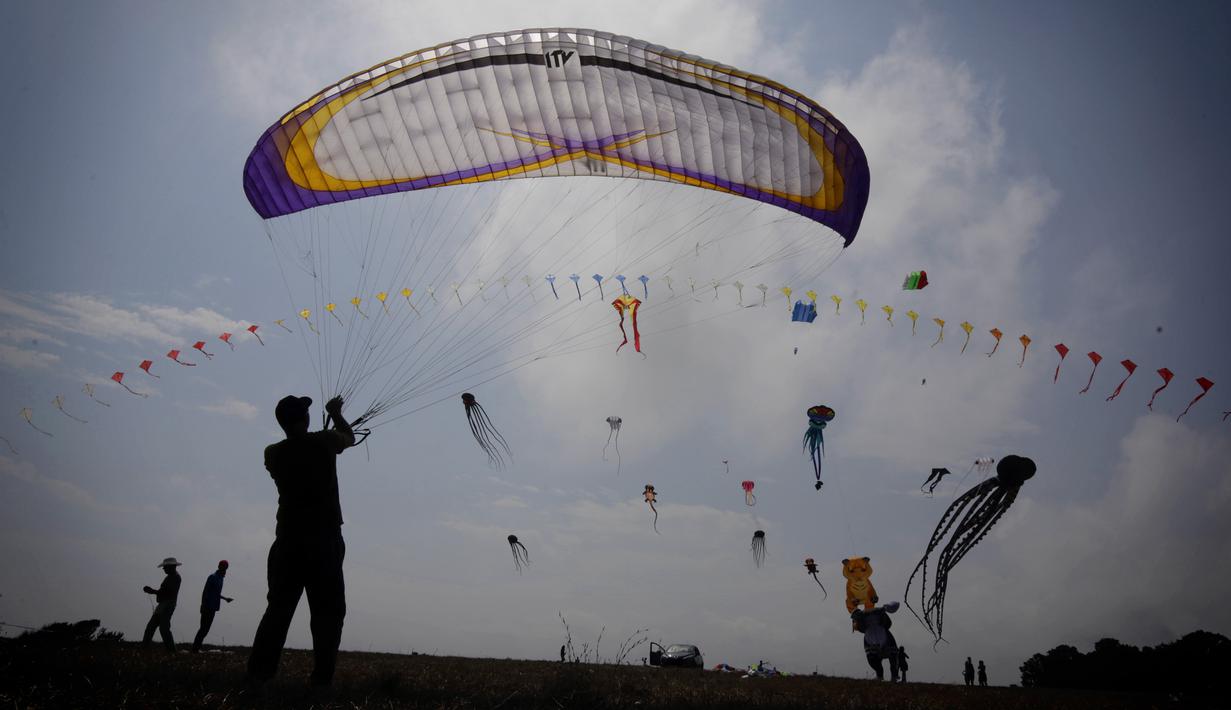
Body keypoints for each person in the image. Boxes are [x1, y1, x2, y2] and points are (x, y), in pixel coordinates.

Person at [248, 395, 355, 686]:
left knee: (278, 611)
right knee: (328, 613)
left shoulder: (273, 453)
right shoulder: (324, 441)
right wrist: (336, 413)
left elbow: (318, 443)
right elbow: (349, 438)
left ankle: (258, 676)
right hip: (323, 540)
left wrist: (324, 431)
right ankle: (321, 681)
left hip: (287, 542)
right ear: (304, 418)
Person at [191, 560, 234, 652]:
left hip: (213, 607)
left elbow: (216, 593)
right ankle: (195, 649)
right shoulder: (212, 577)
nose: (225, 570)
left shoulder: (221, 579)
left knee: (205, 629)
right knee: (203, 628)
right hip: (207, 606)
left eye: (226, 568)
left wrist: (225, 598)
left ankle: (196, 648)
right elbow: (205, 591)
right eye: (223, 567)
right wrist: (202, 605)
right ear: (220, 567)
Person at [851, 602, 900, 681]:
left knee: (892, 656)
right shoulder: (860, 616)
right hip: (871, 636)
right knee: (873, 658)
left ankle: (893, 675)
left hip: (880, 634)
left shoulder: (880, 612)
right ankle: (880, 675)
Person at [142, 557, 182, 652]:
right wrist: (155, 592)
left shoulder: (176, 578)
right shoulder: (170, 577)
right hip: (163, 605)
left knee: (163, 628)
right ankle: (144, 648)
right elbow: (164, 592)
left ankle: (172, 650)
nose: (164, 569)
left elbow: (168, 593)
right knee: (151, 627)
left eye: (165, 567)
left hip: (168, 605)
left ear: (171, 567)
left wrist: (153, 591)